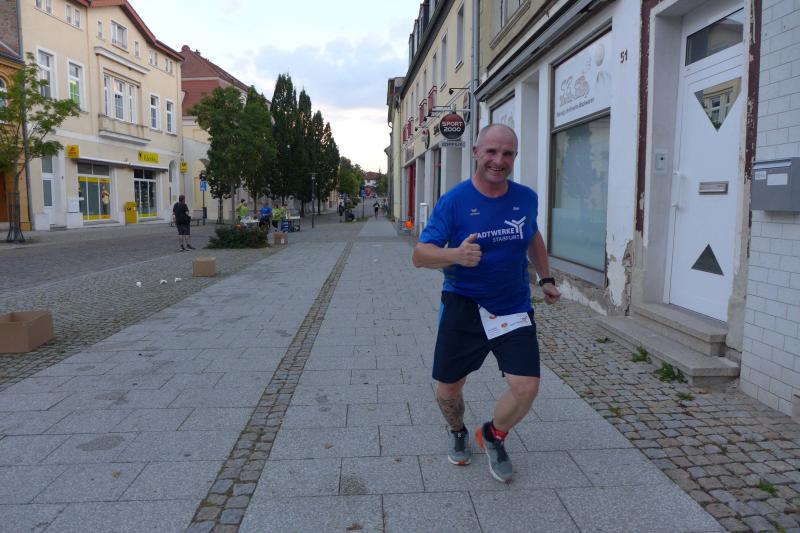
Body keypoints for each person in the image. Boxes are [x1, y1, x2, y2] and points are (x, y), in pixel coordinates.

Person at [411, 124, 561, 483]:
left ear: (515, 157)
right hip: (464, 304)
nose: (498, 160)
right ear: (476, 152)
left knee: (526, 387)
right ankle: (457, 430)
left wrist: (546, 278)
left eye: (507, 153)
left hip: (512, 306)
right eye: (491, 151)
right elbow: (420, 255)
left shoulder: (526, 198)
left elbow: (532, 236)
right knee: (449, 388)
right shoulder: (455, 201)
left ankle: (493, 435)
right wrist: (455, 255)